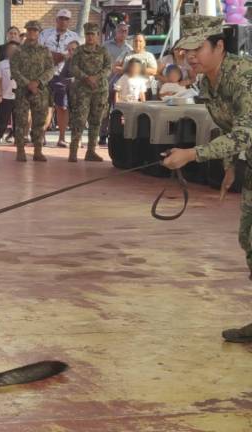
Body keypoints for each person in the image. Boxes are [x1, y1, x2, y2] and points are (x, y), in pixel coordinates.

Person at [161, 15, 252, 343]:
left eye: (198, 48)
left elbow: (245, 130)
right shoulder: (209, 83)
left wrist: (192, 154)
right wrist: (230, 165)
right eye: (186, 51)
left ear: (220, 46)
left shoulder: (243, 77)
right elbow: (231, 128)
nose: (191, 57)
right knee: (249, 241)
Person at [11, 20, 55, 162]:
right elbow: (14, 70)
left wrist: (38, 82)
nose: (32, 33)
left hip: (40, 91)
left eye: (35, 30)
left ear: (39, 32)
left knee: (39, 122)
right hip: (23, 91)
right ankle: (20, 150)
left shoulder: (44, 51)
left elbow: (50, 69)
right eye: (29, 30)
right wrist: (27, 83)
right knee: (21, 121)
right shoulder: (18, 50)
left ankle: (38, 151)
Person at [68, 22, 110, 163]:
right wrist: (86, 77)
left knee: (96, 121)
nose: (90, 37)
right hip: (82, 91)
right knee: (79, 120)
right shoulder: (78, 51)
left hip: (100, 90)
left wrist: (96, 77)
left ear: (97, 35)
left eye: (93, 34)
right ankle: (73, 151)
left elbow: (108, 68)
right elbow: (73, 67)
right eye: (88, 34)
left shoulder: (103, 51)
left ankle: (91, 151)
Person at [40, 9, 80, 148]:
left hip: (63, 76)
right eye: (61, 18)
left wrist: (58, 56)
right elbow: (41, 52)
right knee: (45, 107)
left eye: (66, 19)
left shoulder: (75, 36)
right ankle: (41, 136)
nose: (63, 21)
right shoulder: (45, 34)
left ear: (69, 21)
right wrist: (62, 55)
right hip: (45, 75)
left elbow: (76, 56)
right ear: (56, 19)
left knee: (62, 107)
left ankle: (62, 138)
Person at [100, 23, 132, 146]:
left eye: (126, 31)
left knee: (119, 111)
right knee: (104, 111)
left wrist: (123, 70)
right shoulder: (106, 46)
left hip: (122, 85)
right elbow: (99, 62)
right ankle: (102, 135)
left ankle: (117, 135)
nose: (123, 33)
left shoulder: (129, 49)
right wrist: (110, 67)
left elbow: (131, 67)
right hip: (107, 83)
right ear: (116, 32)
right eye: (121, 31)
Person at [0, 41, 18, 144]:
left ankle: (18, 138)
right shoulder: (2, 64)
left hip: (19, 96)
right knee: (2, 120)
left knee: (18, 120)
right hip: (5, 96)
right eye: (10, 50)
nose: (12, 52)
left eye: (15, 50)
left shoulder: (22, 63)